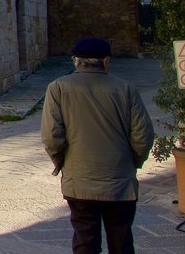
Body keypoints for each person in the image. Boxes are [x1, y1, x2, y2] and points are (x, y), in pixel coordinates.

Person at [41, 38, 155, 254]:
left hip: (80, 178)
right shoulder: (126, 89)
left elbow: (51, 137)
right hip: (120, 179)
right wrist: (133, 162)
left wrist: (62, 161)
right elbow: (143, 135)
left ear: (75, 61)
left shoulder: (58, 88)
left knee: (85, 239)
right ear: (106, 61)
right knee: (121, 239)